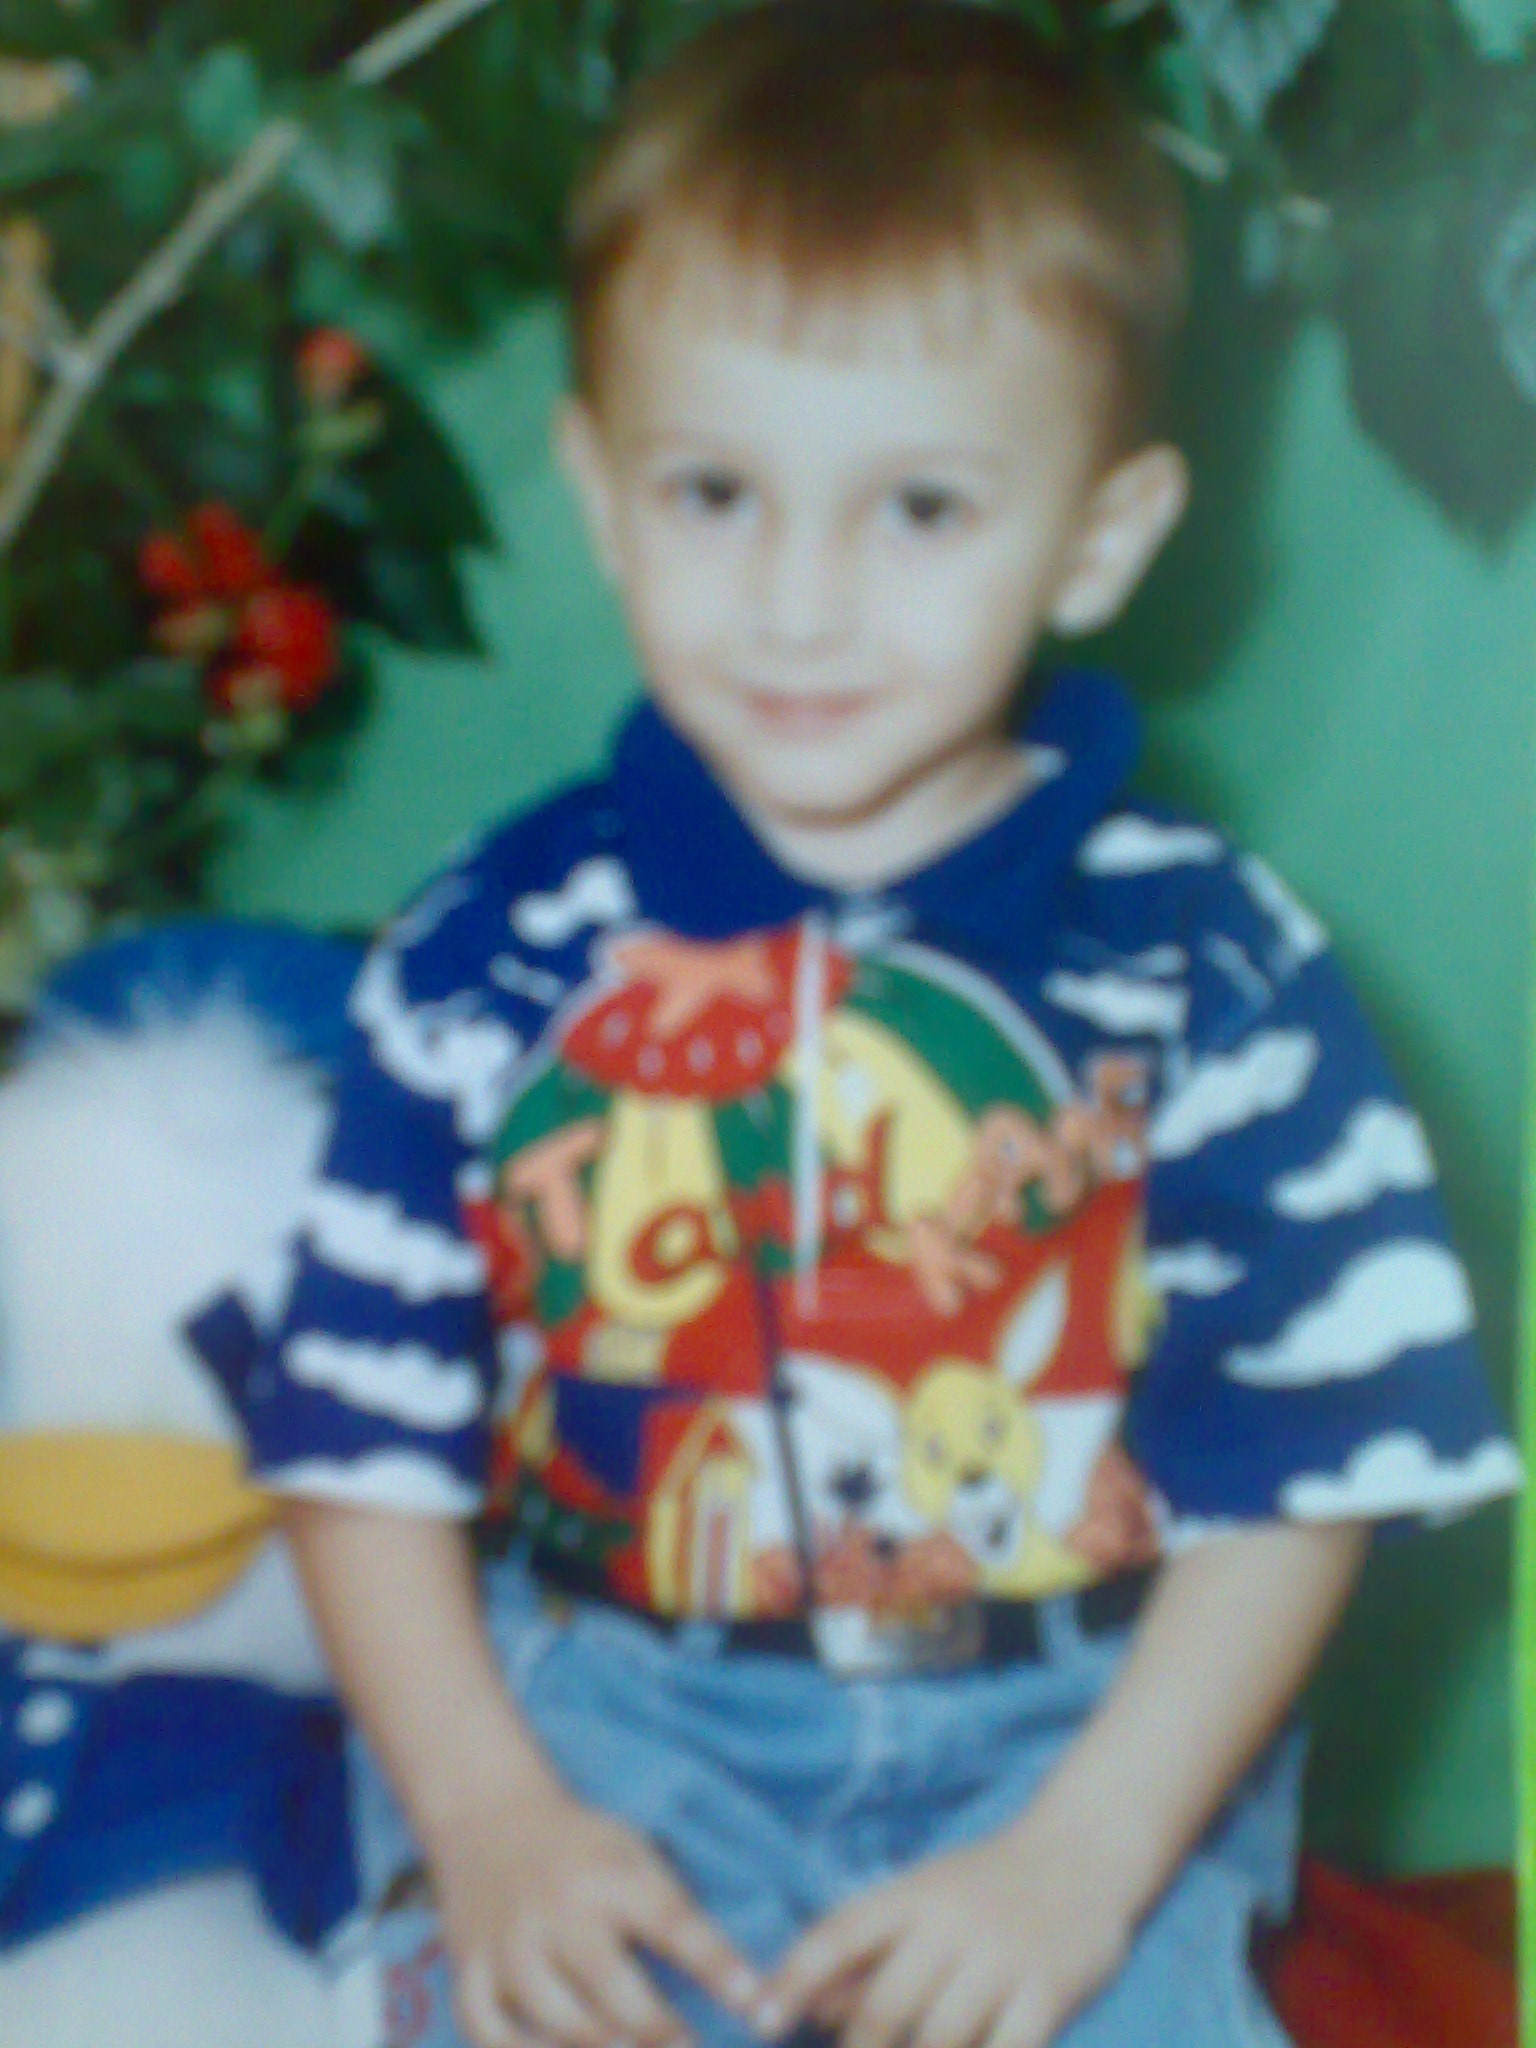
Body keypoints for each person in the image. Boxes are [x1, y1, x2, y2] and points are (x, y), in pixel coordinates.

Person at [242, 8, 1521, 2048]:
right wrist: (487, 1816)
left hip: (1082, 1740)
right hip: (603, 1723)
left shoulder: (1209, 971)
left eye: (919, 507)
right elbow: (357, 1444)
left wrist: (1085, 1860)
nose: (800, 601)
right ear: (599, 488)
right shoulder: (487, 957)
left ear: (1098, 535)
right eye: (716, 491)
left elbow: (1316, 1462)